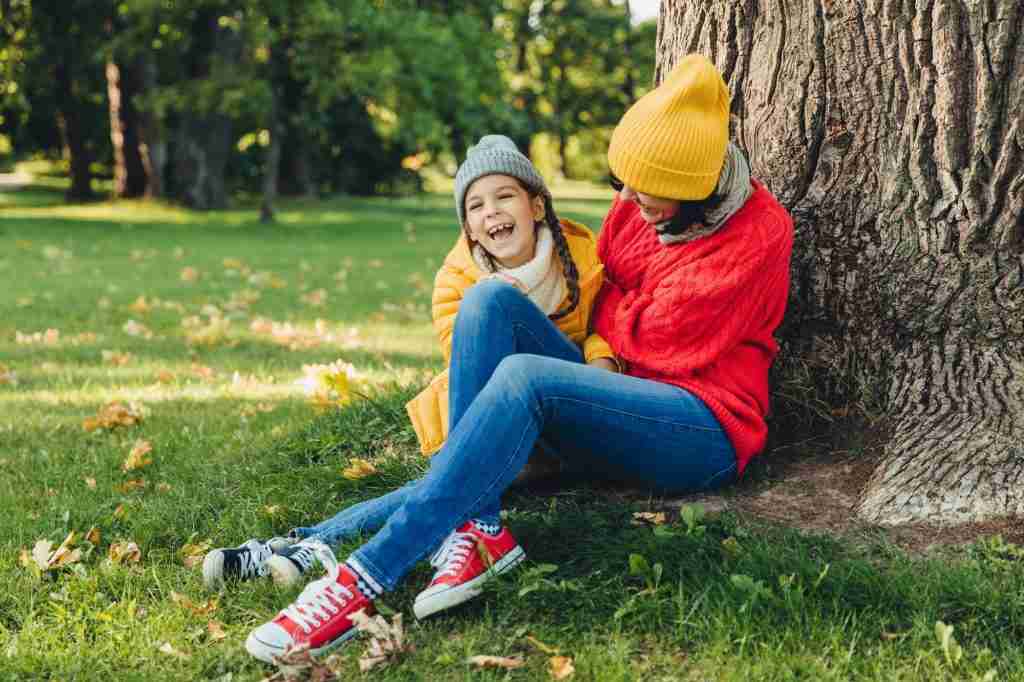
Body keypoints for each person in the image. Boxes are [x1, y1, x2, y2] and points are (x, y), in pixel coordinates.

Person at [208, 53, 794, 664]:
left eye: (655, 195)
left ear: (698, 189)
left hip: (700, 424)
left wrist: (620, 313)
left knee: (524, 381)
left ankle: (359, 580)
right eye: (627, 185)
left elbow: (657, 339)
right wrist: (625, 313)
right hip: (610, 394)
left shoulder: (758, 234)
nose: (634, 203)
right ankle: (474, 528)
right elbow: (614, 291)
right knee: (488, 301)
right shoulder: (643, 192)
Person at [201, 136, 614, 659]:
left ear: (536, 204)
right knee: (448, 479)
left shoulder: (584, 254)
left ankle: (455, 529)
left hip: (568, 404)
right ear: (468, 226)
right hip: (505, 418)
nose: (493, 213)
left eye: (504, 197)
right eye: (476, 206)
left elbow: (608, 322)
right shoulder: (456, 280)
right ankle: (306, 547)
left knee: (453, 483)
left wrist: (601, 365)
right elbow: (473, 368)